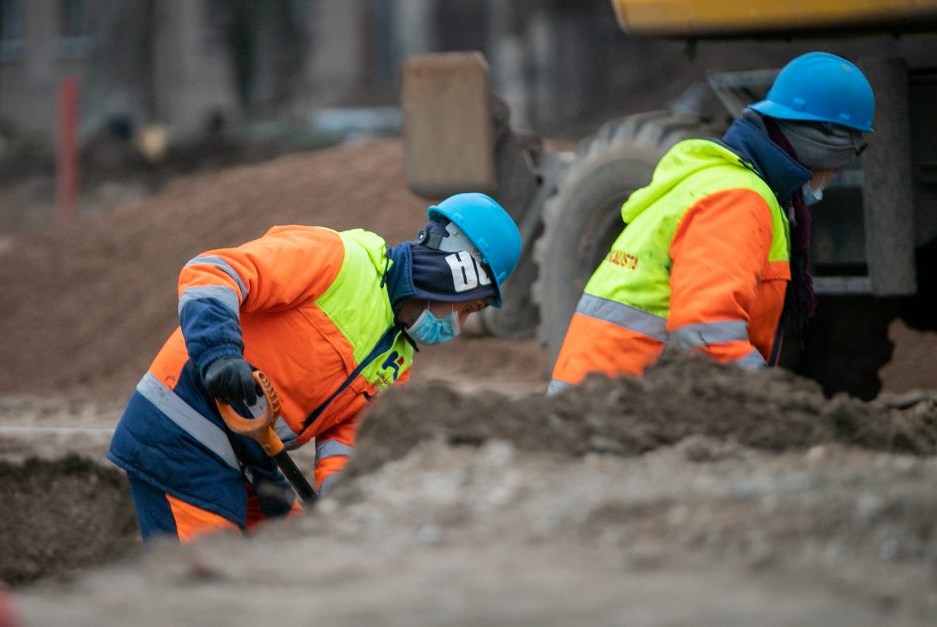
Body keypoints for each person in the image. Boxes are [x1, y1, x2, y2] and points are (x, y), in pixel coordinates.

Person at [108, 192, 522, 543]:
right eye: (467, 309)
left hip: (252, 458)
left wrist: (342, 504)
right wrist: (219, 354)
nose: (458, 327)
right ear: (456, 275)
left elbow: (344, 444)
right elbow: (213, 272)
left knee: (293, 559)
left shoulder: (396, 360)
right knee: (204, 587)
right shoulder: (340, 260)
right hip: (180, 434)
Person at [548, 51, 874, 395]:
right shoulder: (737, 201)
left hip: (608, 399)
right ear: (820, 149)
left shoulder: (724, 184)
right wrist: (771, 397)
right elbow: (706, 330)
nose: (831, 179)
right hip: (620, 408)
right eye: (837, 166)